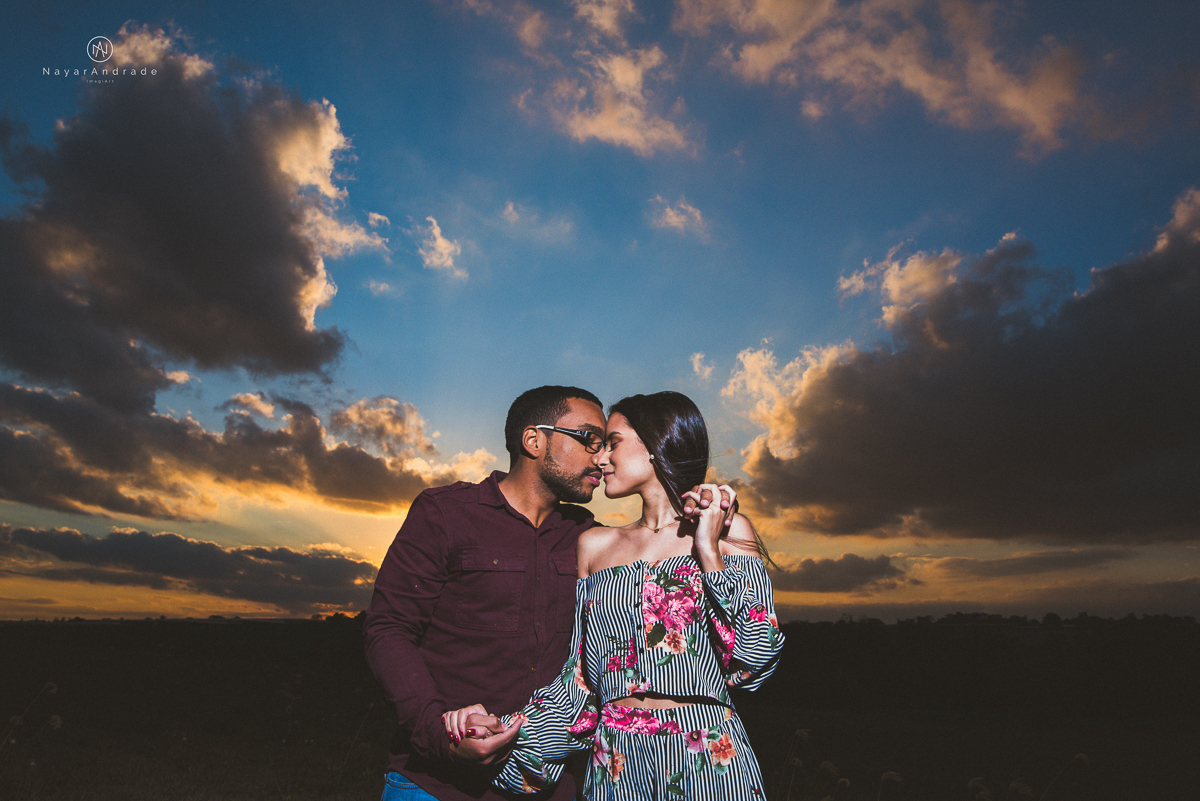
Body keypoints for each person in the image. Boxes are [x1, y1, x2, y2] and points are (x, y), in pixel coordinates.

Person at [364, 386, 733, 801]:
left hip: (551, 786)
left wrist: (704, 510)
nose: (600, 457)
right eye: (590, 439)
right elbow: (389, 630)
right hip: (436, 783)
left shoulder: (589, 538)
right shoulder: (445, 513)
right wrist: (438, 732)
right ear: (534, 440)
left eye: (609, 443)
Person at [444, 391, 785, 800]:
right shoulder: (594, 546)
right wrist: (500, 727)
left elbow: (755, 660)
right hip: (617, 763)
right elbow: (580, 683)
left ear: (656, 444)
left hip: (708, 758)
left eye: (613, 443)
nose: (600, 458)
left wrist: (709, 551)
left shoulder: (729, 533)